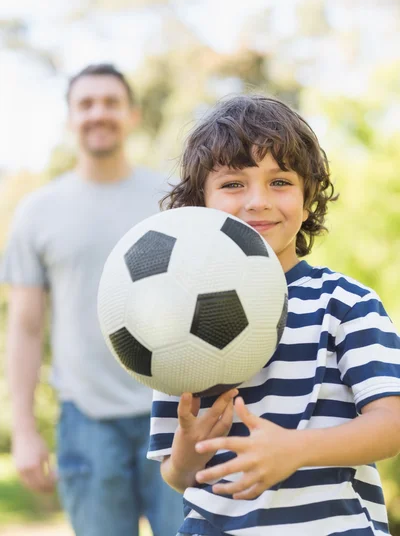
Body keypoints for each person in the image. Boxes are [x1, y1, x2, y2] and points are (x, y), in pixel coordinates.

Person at [148, 94, 400, 536]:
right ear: (199, 205)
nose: (258, 201)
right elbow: (176, 475)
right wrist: (189, 449)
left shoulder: (345, 302)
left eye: (280, 181)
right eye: (233, 184)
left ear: (307, 201)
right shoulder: (175, 316)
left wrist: (296, 449)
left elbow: (392, 423)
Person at [1, 63, 183, 536]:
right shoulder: (38, 211)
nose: (97, 113)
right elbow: (24, 326)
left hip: (175, 414)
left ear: (132, 115)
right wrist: (23, 429)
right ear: (69, 119)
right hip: (86, 422)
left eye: (110, 102)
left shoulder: (172, 200)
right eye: (86, 104)